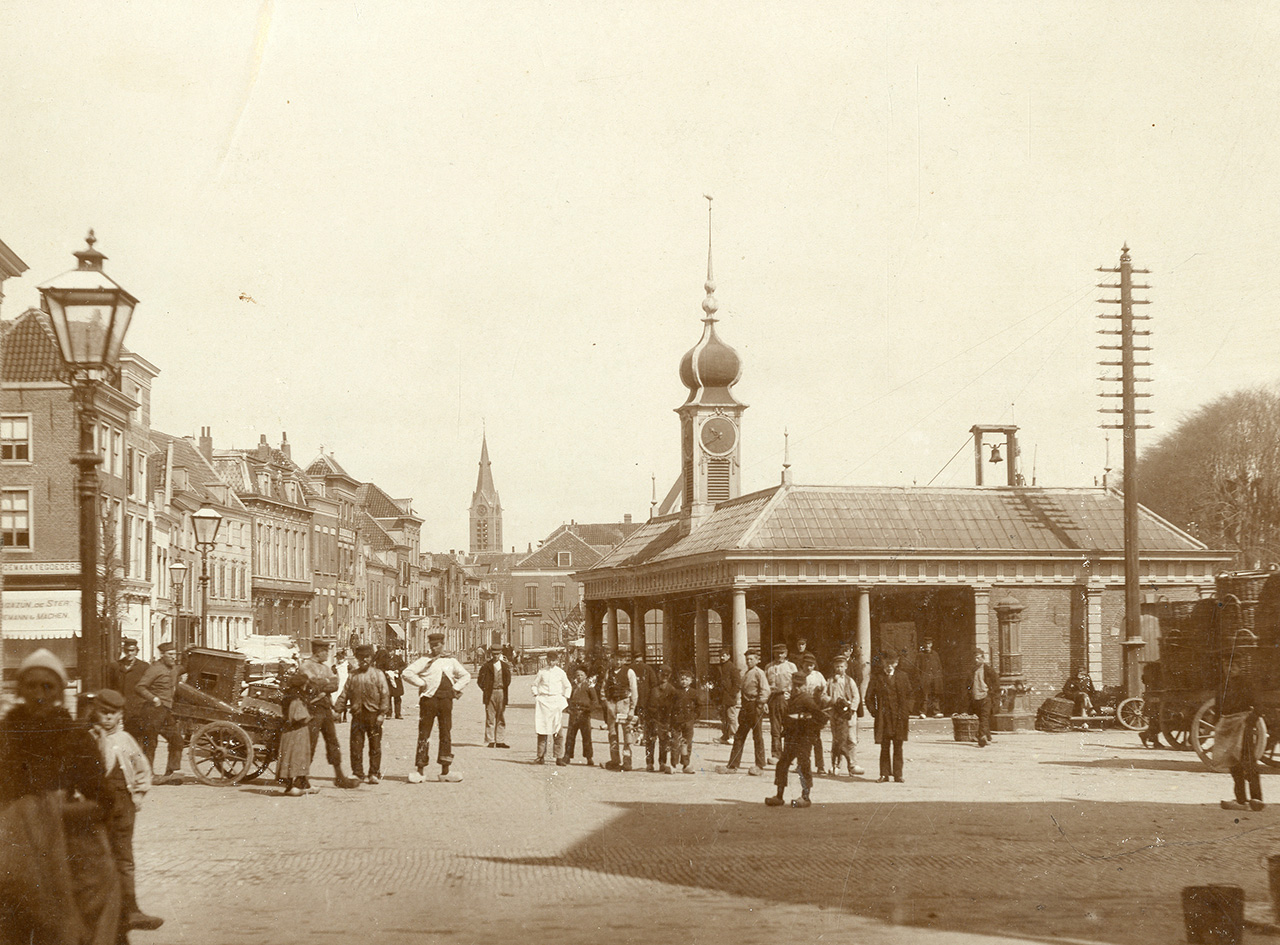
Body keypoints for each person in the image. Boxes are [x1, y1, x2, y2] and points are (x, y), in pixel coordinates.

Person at [0, 649, 122, 944]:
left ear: (59, 691)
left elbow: (104, 801)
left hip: (66, 860)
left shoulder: (73, 735)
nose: (39, 694)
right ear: (20, 690)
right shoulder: (5, 734)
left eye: (48, 686)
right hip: (12, 861)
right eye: (32, 685)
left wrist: (54, 814)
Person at [90, 688, 163, 932]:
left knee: (124, 857)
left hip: (123, 804)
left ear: (120, 714)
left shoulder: (126, 740)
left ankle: (131, 909)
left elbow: (141, 767)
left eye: (113, 713)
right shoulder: (88, 738)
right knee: (99, 855)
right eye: (104, 713)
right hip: (97, 806)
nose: (108, 718)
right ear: (96, 712)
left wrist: (140, 793)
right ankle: (101, 911)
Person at [403, 632, 471, 783]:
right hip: (429, 700)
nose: (434, 648)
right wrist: (421, 683)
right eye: (432, 645)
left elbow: (466, 676)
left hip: (446, 700)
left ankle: (445, 770)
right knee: (424, 733)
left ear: (442, 644)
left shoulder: (451, 661)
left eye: (437, 645)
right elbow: (406, 673)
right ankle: (420, 770)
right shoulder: (424, 660)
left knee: (445, 732)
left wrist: (456, 688)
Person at [298, 639, 360, 789]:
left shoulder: (325, 668)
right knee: (310, 743)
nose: (327, 653)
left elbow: (335, 684)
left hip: (325, 707)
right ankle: (302, 778)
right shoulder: (306, 666)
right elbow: (312, 686)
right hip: (312, 709)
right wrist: (324, 683)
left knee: (333, 742)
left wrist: (322, 683)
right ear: (318, 651)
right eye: (325, 651)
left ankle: (339, 776)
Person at [766, 669, 827, 808]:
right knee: (782, 764)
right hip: (791, 737)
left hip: (804, 738)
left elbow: (821, 718)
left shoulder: (807, 699)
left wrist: (805, 720)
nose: (797, 688)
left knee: (803, 765)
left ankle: (806, 797)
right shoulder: (793, 698)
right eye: (795, 685)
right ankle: (779, 796)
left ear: (805, 686)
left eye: (799, 685)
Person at [337, 644, 391, 784]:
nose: (364, 660)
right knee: (356, 745)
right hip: (358, 714)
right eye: (361, 658)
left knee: (375, 745)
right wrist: (337, 709)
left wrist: (382, 713)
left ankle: (374, 773)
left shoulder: (378, 674)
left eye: (367, 657)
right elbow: (344, 694)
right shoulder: (353, 676)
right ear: (357, 659)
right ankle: (358, 773)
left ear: (371, 658)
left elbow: (385, 694)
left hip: (374, 715)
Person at [134, 641, 186, 783]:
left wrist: (190, 651)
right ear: (162, 655)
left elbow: (185, 667)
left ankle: (171, 772)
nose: (173, 657)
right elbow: (140, 687)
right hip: (152, 711)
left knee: (177, 740)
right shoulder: (155, 669)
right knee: (150, 743)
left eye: (175, 654)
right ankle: (147, 774)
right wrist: (153, 698)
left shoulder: (174, 668)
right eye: (170, 654)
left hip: (166, 711)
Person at [1219, 664, 1264, 811]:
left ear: (1240, 668)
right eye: (1227, 667)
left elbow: (1258, 706)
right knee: (1233, 763)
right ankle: (1241, 800)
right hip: (1228, 726)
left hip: (1243, 726)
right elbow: (1218, 707)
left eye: (1234, 667)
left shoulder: (1247, 684)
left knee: (1248, 760)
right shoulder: (1222, 685)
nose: (1230, 670)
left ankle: (1256, 798)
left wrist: (1249, 721)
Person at [717, 649, 770, 776]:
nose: (749, 661)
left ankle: (760, 765)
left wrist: (760, 704)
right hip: (746, 707)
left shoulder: (759, 673)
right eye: (747, 659)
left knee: (757, 736)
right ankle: (733, 765)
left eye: (751, 659)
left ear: (757, 660)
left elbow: (765, 690)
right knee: (739, 736)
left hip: (755, 706)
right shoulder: (747, 673)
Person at [864, 651, 911, 783]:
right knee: (884, 746)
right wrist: (874, 712)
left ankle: (898, 774)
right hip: (883, 718)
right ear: (883, 663)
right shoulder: (877, 677)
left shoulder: (903, 677)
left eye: (892, 663)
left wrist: (907, 711)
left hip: (899, 717)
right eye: (887, 663)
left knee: (898, 746)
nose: (889, 666)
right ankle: (884, 774)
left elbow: (910, 695)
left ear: (896, 664)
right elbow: (868, 697)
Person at [105, 638, 150, 753]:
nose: (129, 653)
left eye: (132, 650)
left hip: (137, 709)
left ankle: (137, 764)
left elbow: (148, 687)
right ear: (124, 650)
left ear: (136, 651)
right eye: (127, 650)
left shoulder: (143, 667)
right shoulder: (115, 666)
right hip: (120, 709)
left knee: (136, 739)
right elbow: (110, 687)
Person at [599, 652, 638, 771]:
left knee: (627, 734)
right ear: (612, 659)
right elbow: (603, 689)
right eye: (616, 659)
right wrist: (606, 703)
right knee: (612, 734)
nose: (618, 662)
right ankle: (615, 760)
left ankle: (627, 762)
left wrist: (632, 709)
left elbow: (634, 691)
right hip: (611, 705)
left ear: (625, 660)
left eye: (621, 659)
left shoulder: (629, 672)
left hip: (624, 704)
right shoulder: (609, 672)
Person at [277, 672, 314, 795]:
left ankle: (302, 783)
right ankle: (290, 786)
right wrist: (311, 716)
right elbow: (298, 716)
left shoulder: (291, 695)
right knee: (293, 757)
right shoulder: (296, 699)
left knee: (300, 757)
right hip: (295, 732)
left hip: (297, 732)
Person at [531, 651, 573, 764]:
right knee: (542, 729)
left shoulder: (561, 673)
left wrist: (564, 698)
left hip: (555, 702)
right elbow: (534, 685)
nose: (551, 662)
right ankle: (540, 756)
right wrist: (536, 695)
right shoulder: (542, 672)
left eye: (553, 660)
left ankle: (559, 757)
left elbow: (568, 686)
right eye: (549, 660)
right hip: (544, 702)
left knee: (557, 730)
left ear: (557, 661)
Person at [826, 654, 864, 777]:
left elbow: (856, 696)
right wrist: (832, 702)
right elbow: (824, 695)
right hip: (835, 715)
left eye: (841, 666)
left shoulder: (850, 681)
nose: (839, 669)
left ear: (846, 667)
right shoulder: (830, 681)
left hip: (848, 715)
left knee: (851, 740)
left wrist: (851, 708)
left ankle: (853, 764)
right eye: (837, 666)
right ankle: (836, 765)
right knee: (837, 741)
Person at [764, 643, 797, 762]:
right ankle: (776, 754)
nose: (779, 655)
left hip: (786, 698)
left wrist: (792, 698)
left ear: (786, 653)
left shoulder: (791, 666)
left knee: (789, 727)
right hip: (773, 698)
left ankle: (789, 755)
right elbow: (765, 685)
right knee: (775, 728)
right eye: (777, 653)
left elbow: (796, 683)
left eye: (782, 653)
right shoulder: (769, 667)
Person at [561, 667, 600, 766]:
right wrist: (568, 708)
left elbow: (595, 701)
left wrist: (589, 710)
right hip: (574, 714)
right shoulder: (572, 687)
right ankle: (567, 756)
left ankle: (589, 757)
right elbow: (567, 698)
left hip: (584, 714)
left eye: (581, 675)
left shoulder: (589, 687)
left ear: (585, 676)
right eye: (577, 675)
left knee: (586, 736)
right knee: (570, 735)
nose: (579, 677)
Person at [478, 647, 512, 748]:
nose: (495, 656)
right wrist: (486, 689)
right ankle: (491, 740)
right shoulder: (486, 666)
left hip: (501, 692)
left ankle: (500, 740)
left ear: (500, 653)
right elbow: (480, 680)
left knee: (501, 716)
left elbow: (508, 680)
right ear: (491, 654)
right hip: (490, 693)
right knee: (490, 716)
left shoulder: (505, 666)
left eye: (497, 654)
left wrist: (503, 686)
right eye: (494, 654)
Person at [799, 653, 828, 774]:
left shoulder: (818, 676)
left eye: (811, 665)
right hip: (802, 709)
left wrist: (821, 696)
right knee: (802, 738)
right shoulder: (799, 676)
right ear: (802, 665)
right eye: (807, 665)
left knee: (816, 739)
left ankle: (820, 765)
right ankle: (801, 765)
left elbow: (825, 689)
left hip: (815, 709)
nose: (809, 668)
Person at [669, 668, 700, 775]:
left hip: (688, 721)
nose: (684, 681)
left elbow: (698, 707)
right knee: (675, 743)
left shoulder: (694, 693)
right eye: (682, 679)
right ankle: (673, 765)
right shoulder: (675, 692)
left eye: (686, 679)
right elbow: (671, 706)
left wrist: (693, 718)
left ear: (691, 681)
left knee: (686, 744)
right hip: (676, 721)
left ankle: (686, 764)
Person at [645, 666, 676, 772]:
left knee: (663, 742)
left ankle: (662, 762)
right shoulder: (652, 688)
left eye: (666, 676)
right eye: (662, 675)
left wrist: (669, 722)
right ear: (658, 675)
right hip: (652, 718)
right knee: (650, 741)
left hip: (664, 720)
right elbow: (647, 703)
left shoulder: (672, 690)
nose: (664, 678)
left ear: (670, 676)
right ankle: (649, 763)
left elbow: (673, 707)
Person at [968, 649, 1000, 748]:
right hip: (976, 696)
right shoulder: (973, 670)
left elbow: (996, 683)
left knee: (984, 717)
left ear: (983, 658)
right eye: (975, 658)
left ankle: (981, 737)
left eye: (978, 658)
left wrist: (991, 694)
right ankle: (988, 736)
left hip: (985, 696)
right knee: (981, 717)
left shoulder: (988, 670)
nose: (976, 660)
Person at [713, 651, 741, 744]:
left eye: (723, 655)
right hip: (721, 696)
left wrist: (732, 694)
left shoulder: (732, 667)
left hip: (729, 697)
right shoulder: (719, 667)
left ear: (728, 656)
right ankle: (725, 736)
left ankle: (733, 736)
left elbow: (737, 683)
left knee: (731, 717)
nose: (721, 657)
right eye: (720, 655)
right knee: (723, 717)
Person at [376, 647, 406, 721]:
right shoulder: (384, 658)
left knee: (397, 697)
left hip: (396, 680)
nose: (390, 653)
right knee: (388, 697)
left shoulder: (398, 658)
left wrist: (398, 671)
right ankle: (388, 714)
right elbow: (379, 667)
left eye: (391, 651)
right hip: (388, 680)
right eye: (388, 651)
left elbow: (404, 666)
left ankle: (398, 714)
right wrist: (386, 672)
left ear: (393, 651)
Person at [1140, 660, 1164, 748]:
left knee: (1154, 720)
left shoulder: (1148, 670)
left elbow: (1144, 680)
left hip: (1152, 697)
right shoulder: (1157, 672)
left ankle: (1155, 741)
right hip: (1156, 698)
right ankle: (1146, 735)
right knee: (1157, 720)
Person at [918, 639, 945, 718]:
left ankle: (936, 711)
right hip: (925, 679)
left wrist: (939, 678)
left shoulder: (935, 654)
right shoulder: (920, 655)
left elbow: (939, 667)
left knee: (935, 695)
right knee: (925, 696)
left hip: (935, 679)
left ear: (931, 644)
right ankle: (923, 712)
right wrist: (919, 679)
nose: (927, 646)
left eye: (929, 644)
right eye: (926, 644)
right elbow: (917, 668)